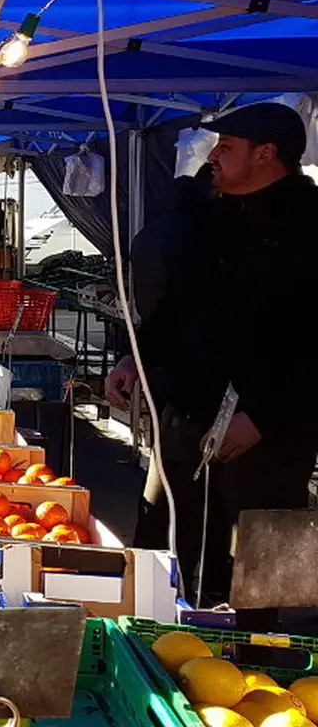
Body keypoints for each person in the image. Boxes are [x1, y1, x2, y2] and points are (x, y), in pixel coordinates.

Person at [107, 103, 318, 617]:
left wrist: (263, 419)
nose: (214, 156)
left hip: (266, 437)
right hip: (186, 414)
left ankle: (255, 667)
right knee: (162, 546)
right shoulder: (212, 218)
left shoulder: (309, 229)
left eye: (226, 146)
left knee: (255, 569)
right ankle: (149, 647)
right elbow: (178, 307)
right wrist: (135, 356)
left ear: (266, 155)